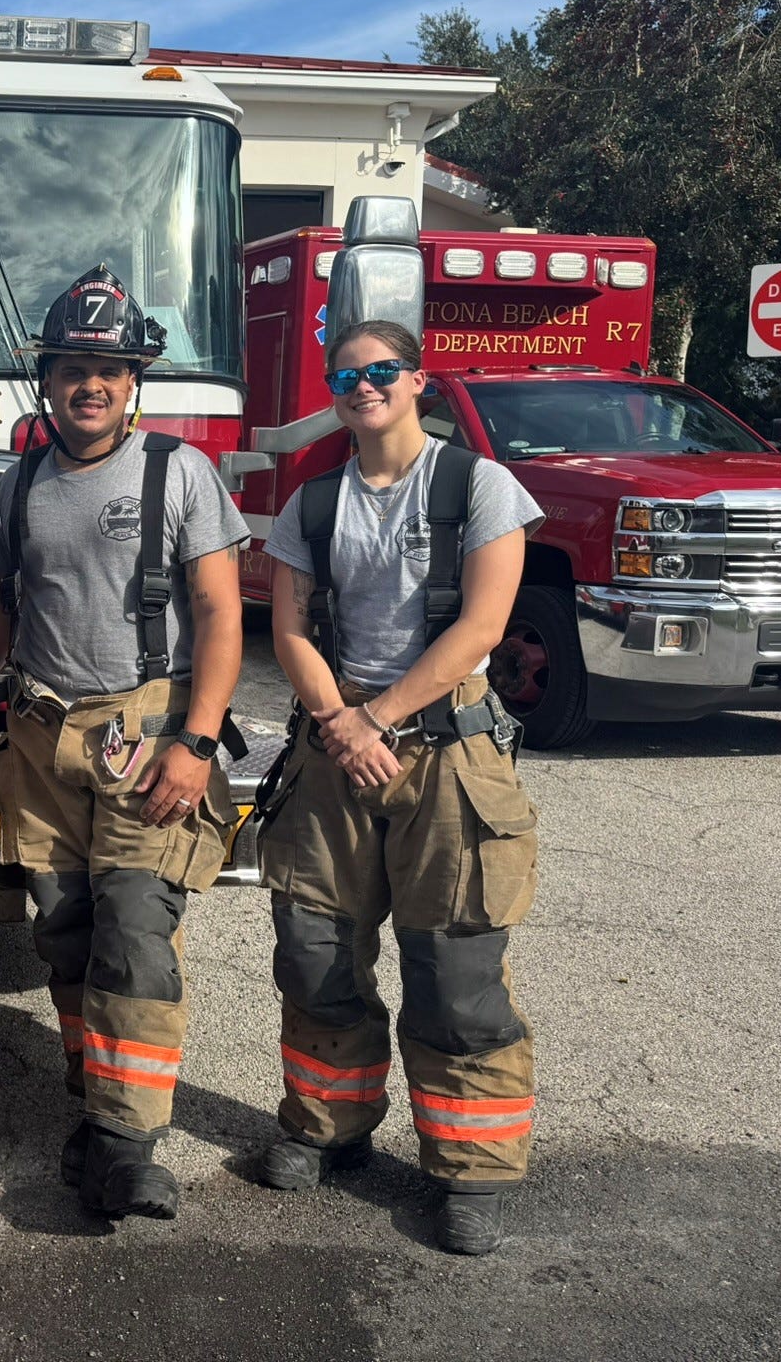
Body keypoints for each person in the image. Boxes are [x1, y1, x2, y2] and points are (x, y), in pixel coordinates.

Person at [0, 265, 248, 1220]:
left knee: (135, 931)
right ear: (47, 379)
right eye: (73, 366)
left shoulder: (180, 472)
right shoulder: (24, 483)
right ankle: (97, 1110)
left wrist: (198, 744)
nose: (90, 383)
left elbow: (218, 614)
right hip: (43, 745)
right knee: (68, 937)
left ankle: (129, 1147)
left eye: (109, 368)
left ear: (135, 384)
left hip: (148, 733)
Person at [255, 317, 543, 1256]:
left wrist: (379, 721)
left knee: (455, 975)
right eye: (346, 376)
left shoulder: (478, 486)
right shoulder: (313, 499)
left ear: (417, 380)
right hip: (337, 750)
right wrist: (343, 723)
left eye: (381, 372)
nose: (363, 387)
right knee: (316, 955)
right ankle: (328, 1129)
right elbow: (291, 631)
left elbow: (483, 627)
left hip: (445, 755)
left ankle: (470, 1171)